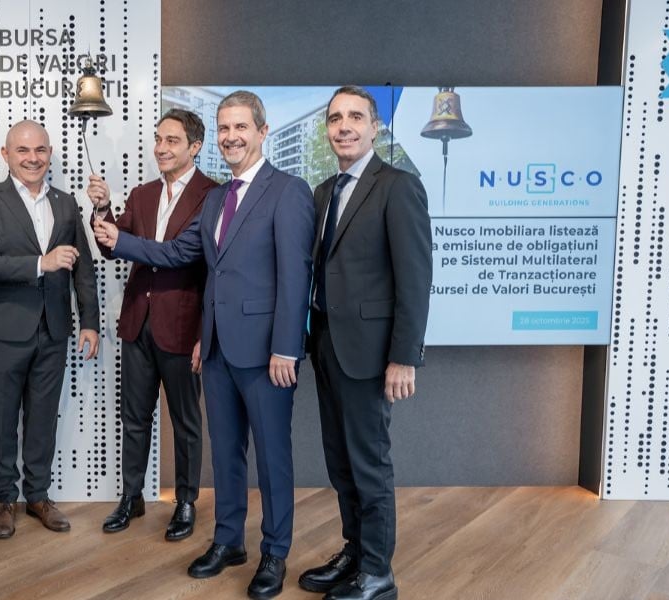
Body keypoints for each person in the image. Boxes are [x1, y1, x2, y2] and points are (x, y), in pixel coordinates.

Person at [94, 90, 315, 600]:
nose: (231, 137)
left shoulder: (288, 191)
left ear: (262, 131)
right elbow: (181, 255)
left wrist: (286, 347)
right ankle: (229, 541)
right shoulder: (215, 198)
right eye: (224, 128)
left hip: (266, 354)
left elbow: (295, 276)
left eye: (241, 127)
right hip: (216, 350)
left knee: (272, 458)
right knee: (227, 454)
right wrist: (119, 239)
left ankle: (274, 552)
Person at [297, 86, 431, 600]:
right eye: (335, 118)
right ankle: (354, 553)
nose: (344, 126)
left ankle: (378, 573)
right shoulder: (323, 192)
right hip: (327, 346)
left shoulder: (398, 186)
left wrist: (403, 356)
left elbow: (415, 279)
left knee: (369, 465)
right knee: (340, 462)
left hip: (371, 354)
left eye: (355, 117)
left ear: (375, 127)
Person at [0, 120, 100, 540]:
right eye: (22, 150)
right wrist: (41, 263)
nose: (32, 158)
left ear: (50, 153)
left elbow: (83, 268)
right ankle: (4, 499)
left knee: (43, 418)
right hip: (4, 331)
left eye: (40, 149)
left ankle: (38, 495)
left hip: (54, 330)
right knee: (3, 417)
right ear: (6, 155)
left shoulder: (66, 203)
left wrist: (90, 322)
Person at [86, 108, 216, 541]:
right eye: (158, 139)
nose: (161, 148)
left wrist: (204, 334)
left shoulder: (212, 195)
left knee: (185, 422)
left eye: (171, 141)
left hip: (182, 327)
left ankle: (185, 502)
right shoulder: (142, 195)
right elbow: (112, 246)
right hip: (137, 325)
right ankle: (132, 497)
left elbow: (185, 255)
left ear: (194, 147)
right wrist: (102, 209)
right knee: (134, 418)